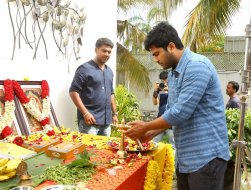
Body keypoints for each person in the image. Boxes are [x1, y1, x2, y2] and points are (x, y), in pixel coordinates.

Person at [124, 22, 230, 190]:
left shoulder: (197, 66)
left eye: (157, 54)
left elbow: (180, 113)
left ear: (171, 46)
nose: (156, 60)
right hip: (186, 157)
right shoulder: (174, 73)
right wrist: (152, 132)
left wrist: (145, 127)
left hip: (206, 157)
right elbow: (171, 110)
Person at [69, 37, 118, 136]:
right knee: (89, 151)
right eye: (104, 51)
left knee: (105, 150)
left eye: (109, 52)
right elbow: (73, 92)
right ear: (96, 50)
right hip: (90, 123)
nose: (107, 54)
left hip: (106, 123)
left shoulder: (109, 71)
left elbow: (111, 94)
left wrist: (115, 113)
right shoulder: (84, 69)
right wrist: (85, 113)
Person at [152, 70, 174, 146]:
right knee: (155, 143)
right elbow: (155, 103)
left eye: (165, 79)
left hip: (171, 120)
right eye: (162, 80)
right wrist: (155, 92)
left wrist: (168, 89)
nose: (164, 81)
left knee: (173, 145)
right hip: (161, 119)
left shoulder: (175, 87)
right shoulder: (160, 88)